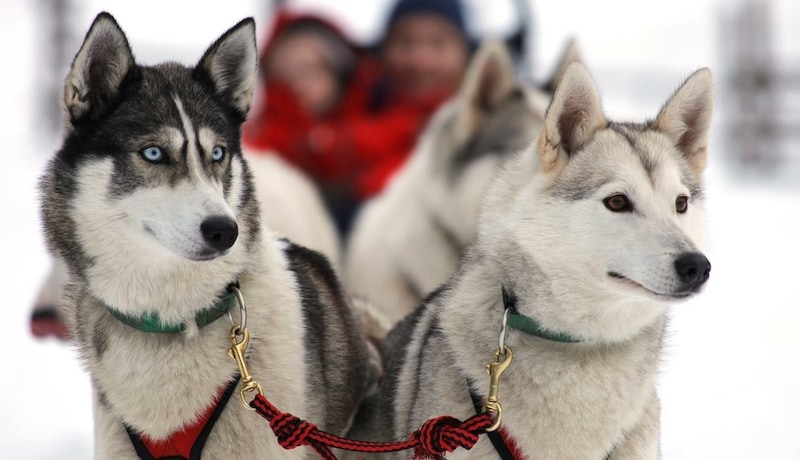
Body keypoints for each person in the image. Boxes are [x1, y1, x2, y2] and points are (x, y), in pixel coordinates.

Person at [243, 0, 472, 235]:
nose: (421, 61)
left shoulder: (488, 133)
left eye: (438, 44)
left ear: (467, 52)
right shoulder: (355, 116)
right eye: (406, 43)